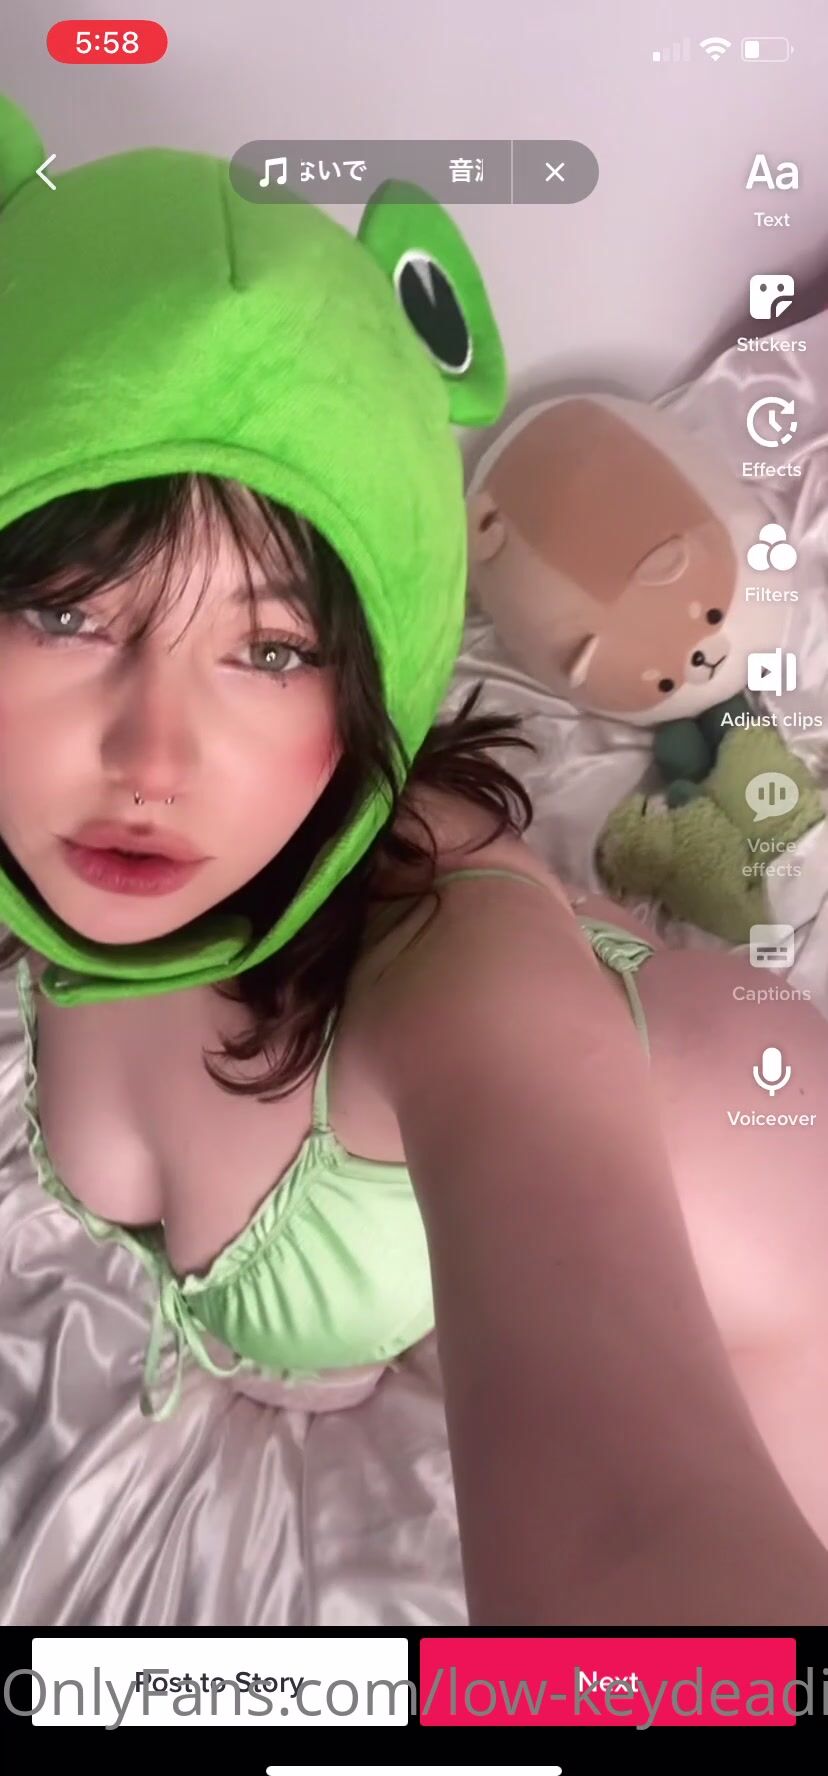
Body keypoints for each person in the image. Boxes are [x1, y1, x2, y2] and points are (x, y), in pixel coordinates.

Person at [1, 91, 828, 1630]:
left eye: (271, 647)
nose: (152, 760)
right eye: (68, 610)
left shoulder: (463, 972)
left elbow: (640, 1549)